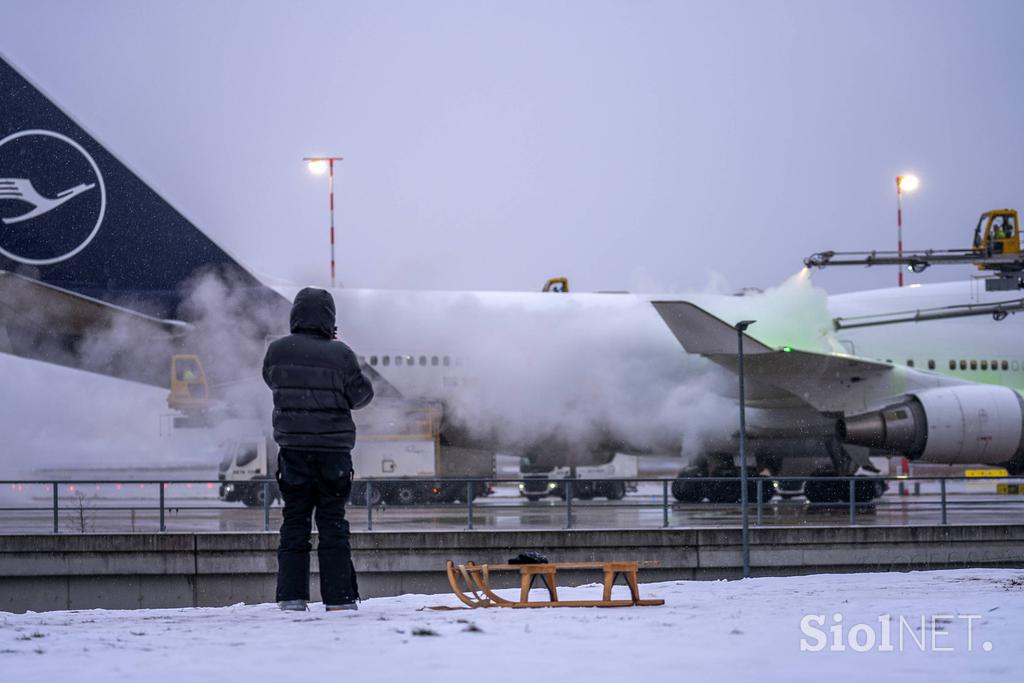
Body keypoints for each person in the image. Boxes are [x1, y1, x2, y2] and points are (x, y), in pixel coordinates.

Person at [262, 287, 374, 612]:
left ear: (295, 315)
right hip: (333, 454)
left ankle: (291, 598)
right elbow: (361, 397)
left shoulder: (277, 351)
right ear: (330, 318)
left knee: (294, 522)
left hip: (293, 452)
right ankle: (339, 598)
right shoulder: (341, 354)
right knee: (333, 524)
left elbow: (272, 381)